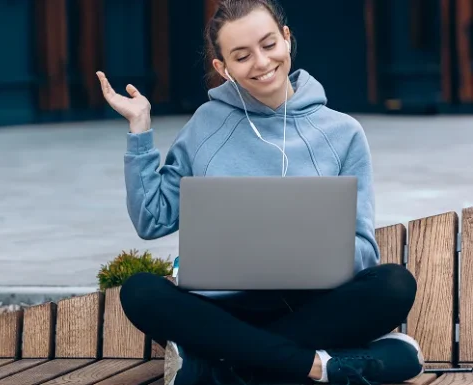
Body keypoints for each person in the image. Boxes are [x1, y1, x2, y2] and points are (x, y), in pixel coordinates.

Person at [95, 1, 424, 384]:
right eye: (242, 55)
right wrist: (140, 129)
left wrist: (297, 254)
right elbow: (152, 219)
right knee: (141, 292)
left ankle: (222, 367)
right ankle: (318, 367)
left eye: (268, 44)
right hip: (224, 308)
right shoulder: (205, 126)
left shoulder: (343, 132)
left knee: (394, 285)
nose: (262, 62)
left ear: (287, 39)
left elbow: (364, 248)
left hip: (310, 306)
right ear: (223, 68)